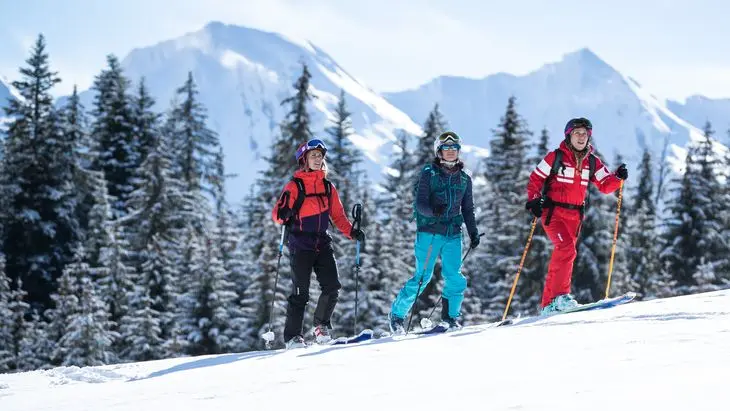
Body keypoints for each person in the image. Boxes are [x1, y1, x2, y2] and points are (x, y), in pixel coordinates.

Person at [525, 117, 628, 315]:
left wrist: (617, 178)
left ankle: (549, 304)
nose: (581, 137)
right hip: (553, 213)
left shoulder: (591, 161)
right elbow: (536, 178)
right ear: (568, 136)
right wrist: (534, 200)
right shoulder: (555, 157)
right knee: (566, 249)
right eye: (577, 133)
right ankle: (562, 296)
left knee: (566, 254)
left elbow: (605, 185)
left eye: (584, 134)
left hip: (575, 217)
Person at [272, 138, 366, 349]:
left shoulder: (327, 187)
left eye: (320, 156)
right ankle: (293, 337)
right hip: (300, 243)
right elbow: (277, 215)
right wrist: (283, 214)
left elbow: (338, 216)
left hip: (322, 242)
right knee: (300, 293)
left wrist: (352, 232)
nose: (317, 159)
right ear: (304, 159)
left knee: (332, 286)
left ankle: (321, 327)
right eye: (313, 155)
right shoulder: (294, 186)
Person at [388, 131, 480, 334]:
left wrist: (473, 232)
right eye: (446, 148)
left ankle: (450, 318)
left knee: (454, 277)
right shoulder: (429, 173)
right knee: (423, 277)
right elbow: (420, 204)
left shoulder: (464, 179)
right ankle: (397, 315)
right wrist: (433, 211)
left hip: (453, 233)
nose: (450, 152)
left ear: (458, 151)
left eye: (453, 148)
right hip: (429, 232)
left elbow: (467, 209)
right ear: (439, 151)